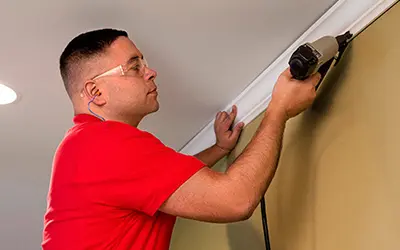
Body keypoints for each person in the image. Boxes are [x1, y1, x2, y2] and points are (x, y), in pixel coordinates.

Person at [42, 28, 321, 250]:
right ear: (95, 92)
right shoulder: (101, 143)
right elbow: (236, 200)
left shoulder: (86, 148)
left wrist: (218, 149)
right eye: (134, 66)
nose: (151, 72)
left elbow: (165, 183)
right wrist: (278, 109)